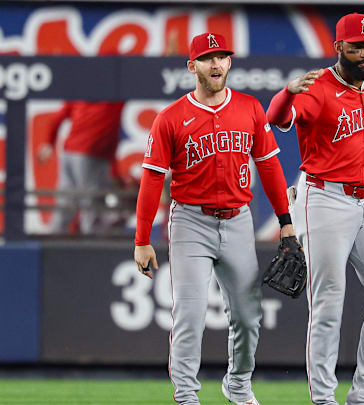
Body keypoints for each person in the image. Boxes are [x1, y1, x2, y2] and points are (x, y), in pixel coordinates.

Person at [133, 32, 296, 405]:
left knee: (248, 316)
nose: (217, 64)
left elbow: (270, 167)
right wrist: (141, 240)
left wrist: (285, 221)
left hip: (238, 221)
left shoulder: (250, 108)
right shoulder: (170, 118)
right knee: (189, 315)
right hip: (191, 222)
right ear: (192, 66)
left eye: (222, 57)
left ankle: (238, 385)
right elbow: (152, 179)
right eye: (208, 58)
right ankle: (187, 396)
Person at [266, 13, 364, 405]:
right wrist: (287, 93)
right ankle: (324, 397)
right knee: (329, 302)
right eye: (358, 46)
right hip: (324, 199)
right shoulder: (317, 87)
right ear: (338, 48)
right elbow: (276, 118)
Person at [38, 100, 124, 234]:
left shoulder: (82, 92)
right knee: (91, 202)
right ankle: (92, 246)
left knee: (66, 202)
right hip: (89, 154)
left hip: (69, 153)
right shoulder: (114, 97)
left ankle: (55, 238)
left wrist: (49, 142)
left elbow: (57, 117)